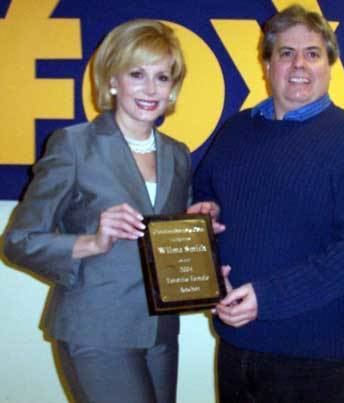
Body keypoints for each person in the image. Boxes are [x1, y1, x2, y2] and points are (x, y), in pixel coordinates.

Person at [193, 4, 344, 403]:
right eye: (285, 53)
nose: (298, 64)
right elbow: (204, 190)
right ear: (267, 64)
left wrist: (268, 297)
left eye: (312, 53)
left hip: (315, 361)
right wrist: (206, 209)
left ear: (329, 65)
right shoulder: (236, 131)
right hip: (236, 348)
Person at [3, 19, 214, 403]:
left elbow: (162, 239)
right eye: (137, 74)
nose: (151, 89)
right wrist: (91, 242)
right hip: (95, 330)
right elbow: (18, 241)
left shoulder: (177, 153)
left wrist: (195, 226)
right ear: (113, 79)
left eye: (162, 77)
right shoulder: (73, 145)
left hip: (161, 332)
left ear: (173, 87)